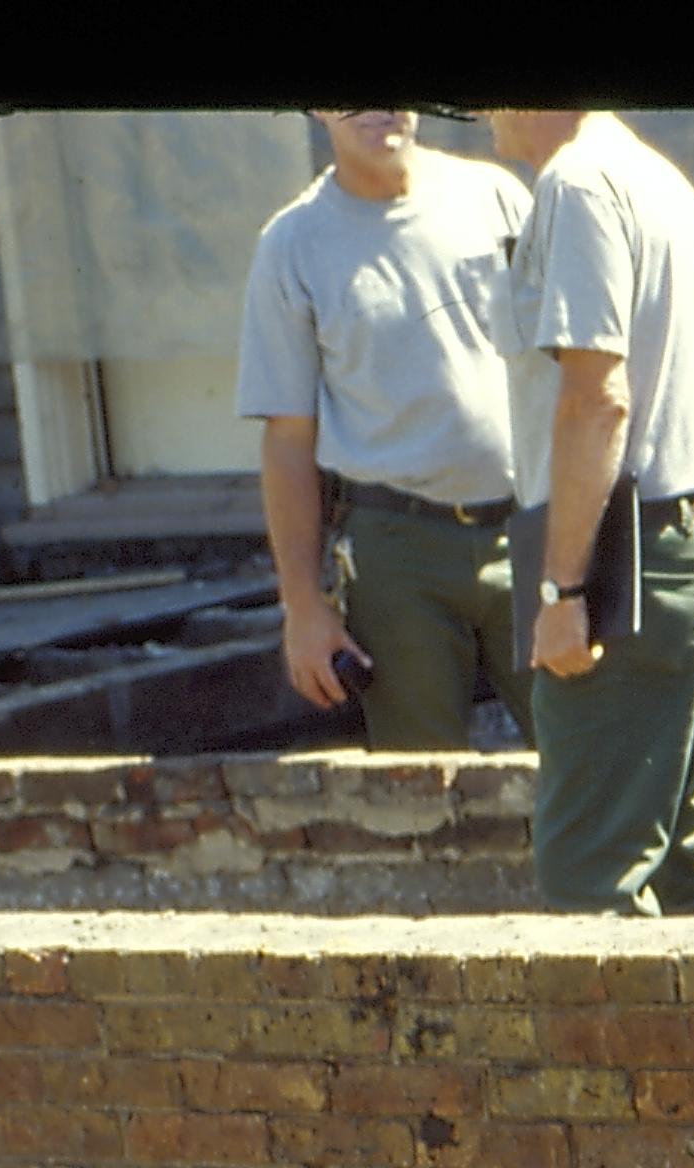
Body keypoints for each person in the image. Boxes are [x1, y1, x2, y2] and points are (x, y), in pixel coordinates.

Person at [484, 109, 694, 917]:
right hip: (691, 543)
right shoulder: (658, 180)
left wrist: (563, 593)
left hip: (627, 568)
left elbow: (597, 399)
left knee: (587, 888)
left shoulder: (577, 183)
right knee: (688, 878)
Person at [237, 109, 534, 752]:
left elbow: (566, 372)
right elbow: (288, 440)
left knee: (587, 759)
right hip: (397, 550)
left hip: (527, 529)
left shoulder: (497, 198)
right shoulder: (292, 242)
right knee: (419, 781)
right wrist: (303, 607)